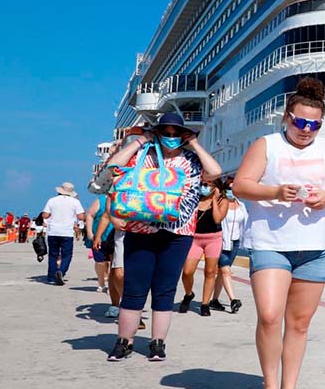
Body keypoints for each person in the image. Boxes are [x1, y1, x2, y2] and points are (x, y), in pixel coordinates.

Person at [233, 77, 325, 389]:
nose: (306, 130)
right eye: (300, 122)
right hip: (271, 243)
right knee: (270, 316)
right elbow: (241, 184)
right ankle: (270, 387)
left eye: (314, 125)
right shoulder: (267, 145)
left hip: (314, 246)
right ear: (287, 117)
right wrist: (274, 192)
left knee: (300, 323)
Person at [103, 113, 221, 362]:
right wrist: (141, 140)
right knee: (135, 289)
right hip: (141, 228)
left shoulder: (191, 159)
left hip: (178, 232)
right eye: (165, 133)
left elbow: (215, 172)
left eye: (175, 133)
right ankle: (124, 341)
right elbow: (114, 167)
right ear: (157, 133)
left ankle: (157, 343)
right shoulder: (143, 157)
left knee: (165, 290)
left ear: (183, 135)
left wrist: (195, 144)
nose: (170, 138)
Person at [177, 180, 228, 316]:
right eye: (203, 184)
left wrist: (214, 200)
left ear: (216, 187)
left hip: (213, 239)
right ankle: (189, 294)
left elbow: (217, 219)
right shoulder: (195, 198)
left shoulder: (223, 201)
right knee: (187, 271)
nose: (204, 187)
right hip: (195, 238)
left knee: (210, 272)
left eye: (208, 184)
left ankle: (205, 304)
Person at [41, 183, 85, 285]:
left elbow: (45, 215)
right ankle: (61, 271)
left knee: (53, 255)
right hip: (67, 232)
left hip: (53, 232)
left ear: (59, 191)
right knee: (67, 255)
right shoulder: (75, 202)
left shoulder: (52, 200)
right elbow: (81, 217)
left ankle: (51, 277)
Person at [215, 180, 248, 314]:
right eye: (229, 188)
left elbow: (245, 224)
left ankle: (214, 300)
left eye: (235, 189)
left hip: (234, 242)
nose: (231, 191)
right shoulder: (220, 203)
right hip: (221, 241)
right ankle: (233, 299)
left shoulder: (242, 205)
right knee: (226, 271)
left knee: (223, 273)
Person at [86, 195, 115, 294]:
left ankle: (112, 285)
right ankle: (101, 282)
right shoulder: (102, 199)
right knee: (100, 261)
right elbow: (90, 215)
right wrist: (89, 232)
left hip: (115, 236)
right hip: (99, 236)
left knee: (114, 262)